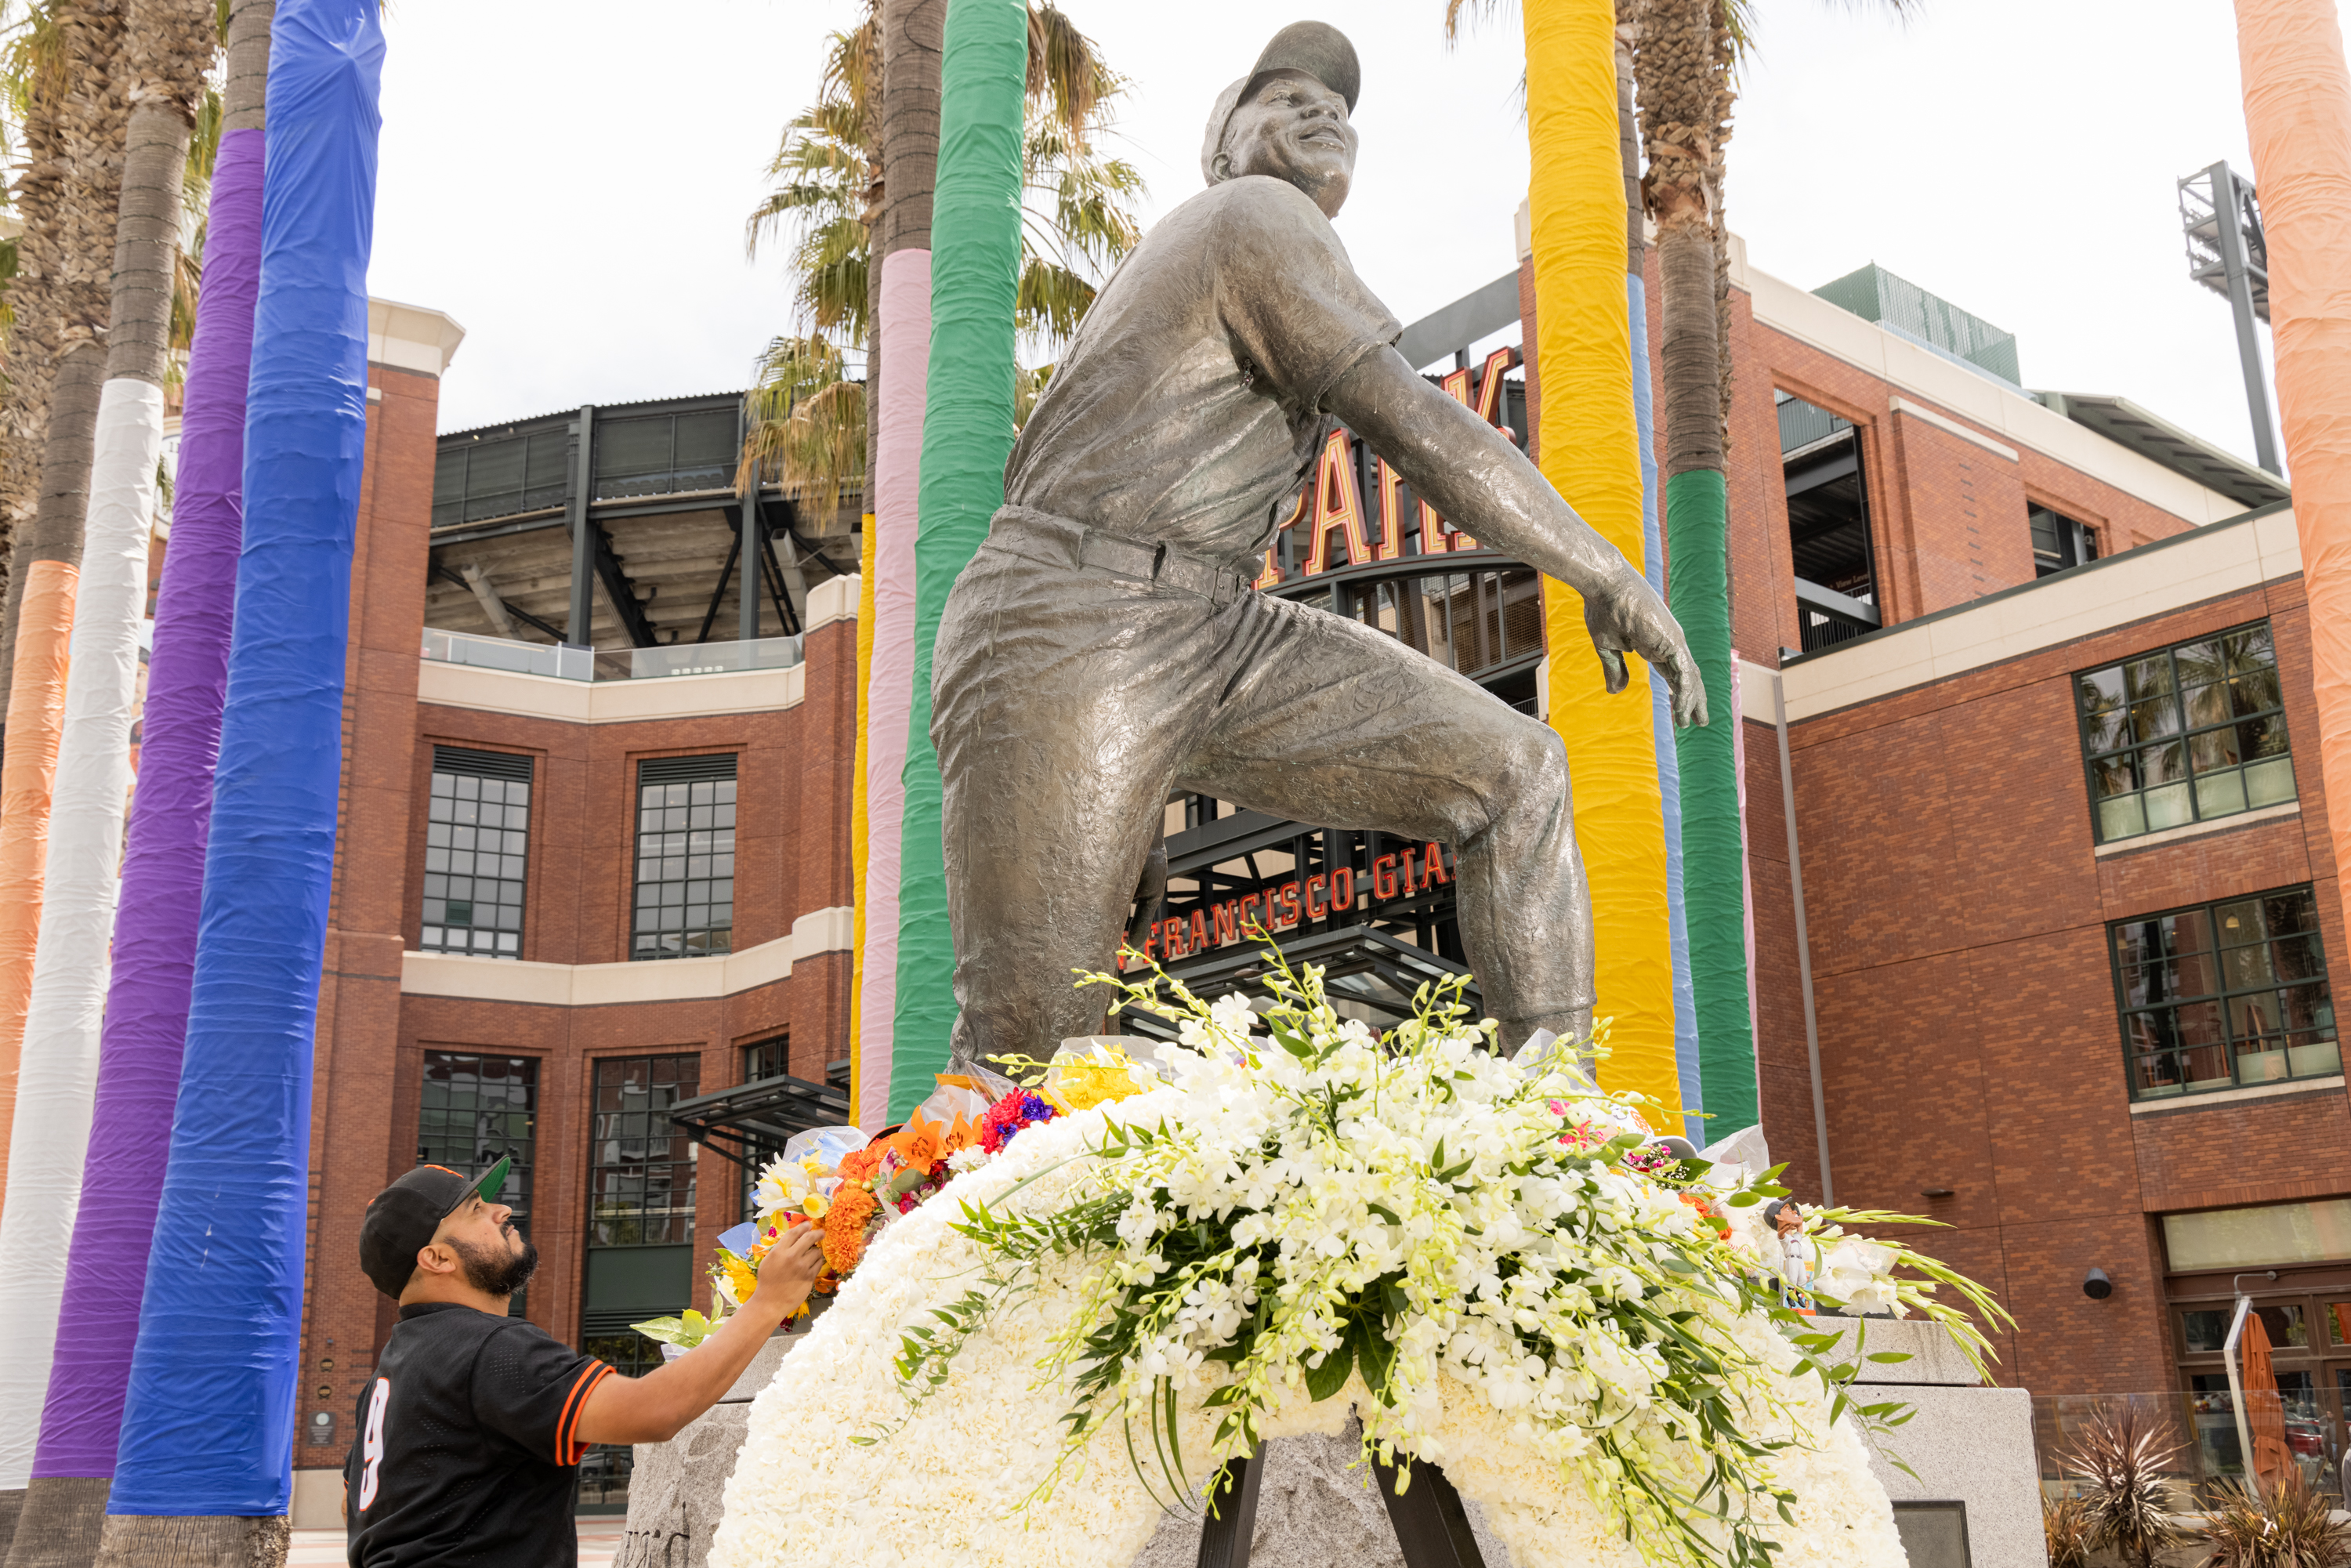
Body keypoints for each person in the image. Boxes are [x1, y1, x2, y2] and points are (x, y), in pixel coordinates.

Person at [929, 20, 1705, 1072]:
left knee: (1516, 769)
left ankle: (1556, 1133)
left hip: (1213, 624)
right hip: (1068, 620)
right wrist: (1602, 567)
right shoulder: (1249, 215)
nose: (1320, 108)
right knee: (1027, 1065)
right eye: (1279, 94)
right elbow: (1420, 425)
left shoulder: (1261, 241)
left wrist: (1143, 778)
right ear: (1222, 148)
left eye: (1333, 100)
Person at [344, 1158, 824, 1566]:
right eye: (476, 1210)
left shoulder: (390, 1372)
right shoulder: (487, 1346)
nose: (502, 1209)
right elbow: (651, 1412)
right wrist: (767, 1302)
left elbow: (353, 1505)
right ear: (437, 1258)